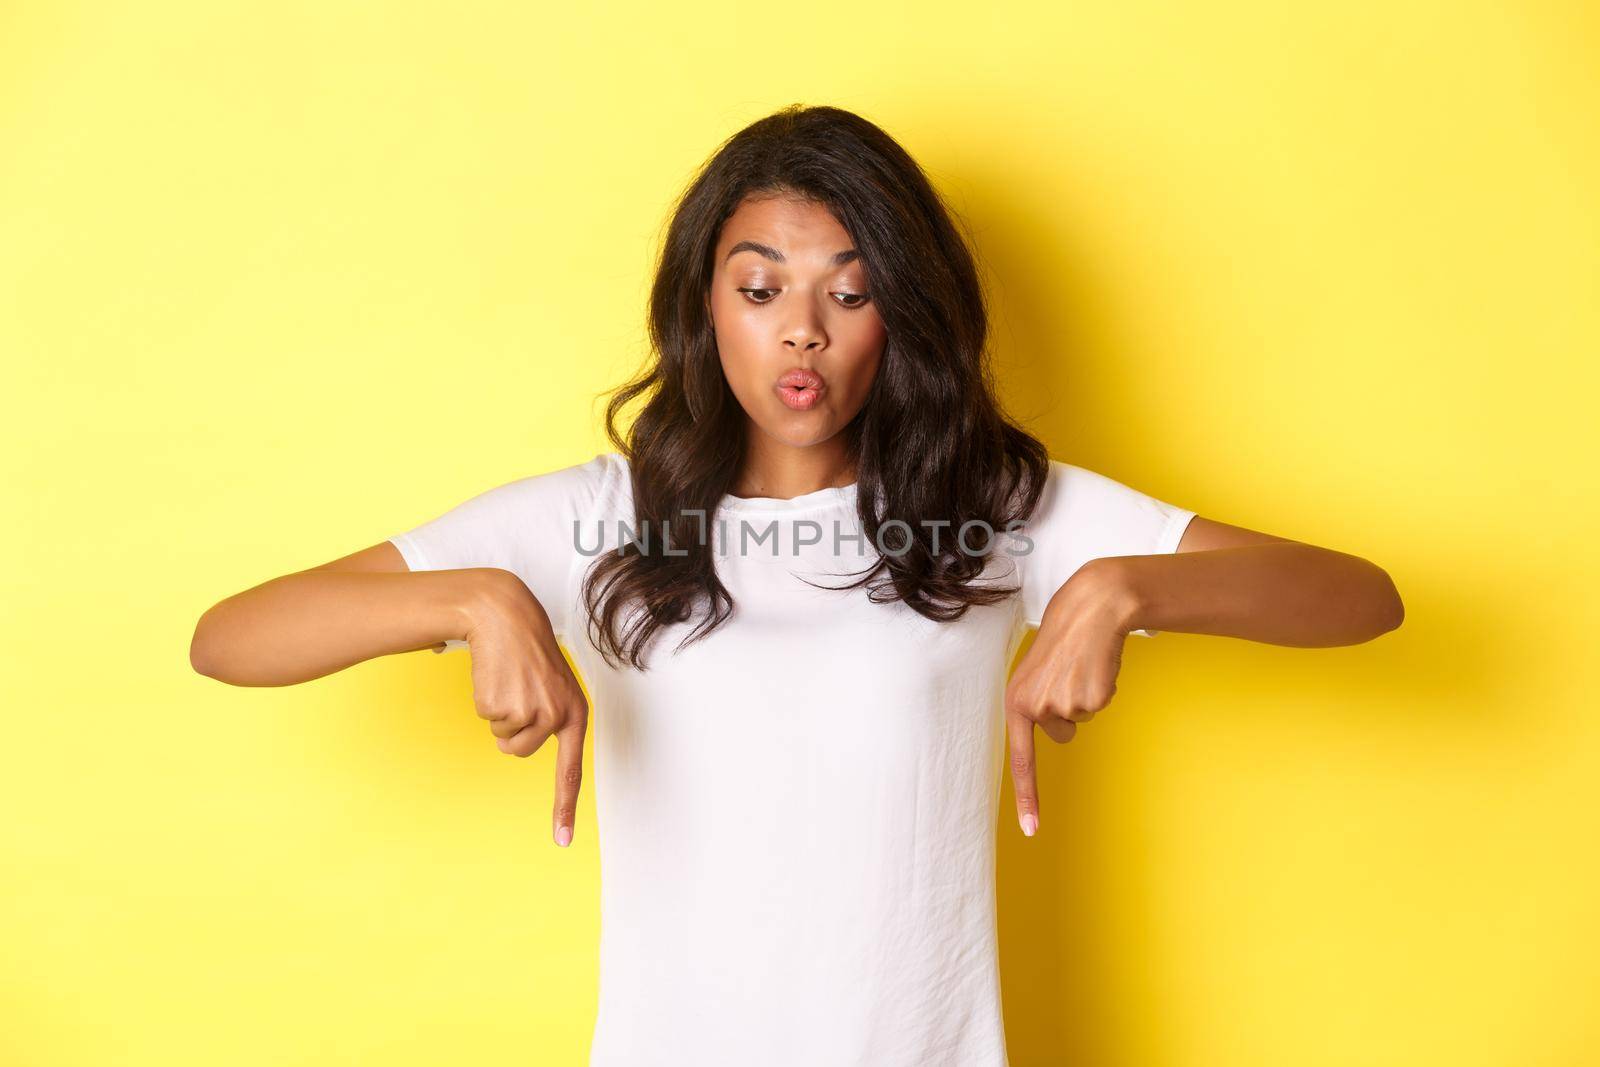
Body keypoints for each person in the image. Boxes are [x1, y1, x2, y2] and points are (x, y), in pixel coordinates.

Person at [190, 104, 1404, 1067]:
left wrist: (1123, 588)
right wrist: (473, 601)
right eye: (760, 287)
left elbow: (1358, 597)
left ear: (902, 313)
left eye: (850, 288)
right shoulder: (594, 518)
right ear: (703, 305)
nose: (802, 330)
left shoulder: (995, 511)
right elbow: (230, 635)